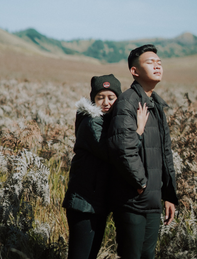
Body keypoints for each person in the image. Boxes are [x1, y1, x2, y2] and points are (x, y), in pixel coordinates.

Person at [62, 74, 148, 259]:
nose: (106, 102)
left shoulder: (108, 122)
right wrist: (138, 132)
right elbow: (115, 153)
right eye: (100, 97)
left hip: (95, 202)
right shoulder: (93, 122)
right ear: (93, 99)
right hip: (84, 203)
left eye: (111, 97)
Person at [107, 44, 178, 259]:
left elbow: (165, 153)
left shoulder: (155, 104)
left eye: (159, 62)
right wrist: (141, 184)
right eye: (150, 62)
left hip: (152, 201)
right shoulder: (127, 102)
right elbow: (123, 148)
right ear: (134, 71)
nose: (157, 66)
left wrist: (168, 195)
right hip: (133, 201)